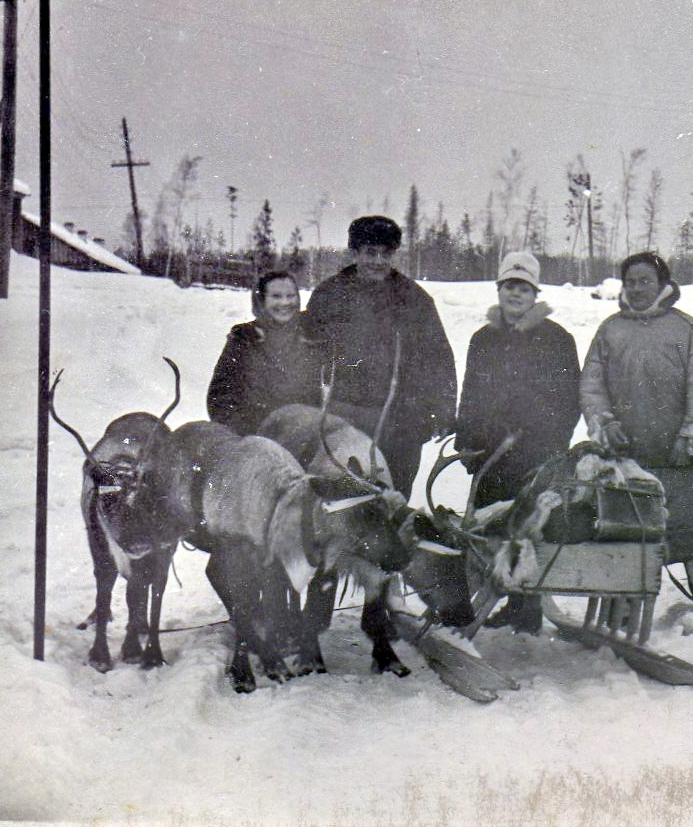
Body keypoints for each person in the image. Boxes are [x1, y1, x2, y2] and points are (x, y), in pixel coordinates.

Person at [580, 251, 693, 612]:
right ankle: (623, 610)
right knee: (628, 533)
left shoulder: (687, 329)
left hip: (679, 456)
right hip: (629, 457)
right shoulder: (610, 331)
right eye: (630, 282)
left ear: (663, 285)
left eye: (645, 281)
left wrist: (692, 431)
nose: (637, 288)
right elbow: (592, 385)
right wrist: (604, 423)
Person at [456, 251, 581, 632]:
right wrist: (466, 439)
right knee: (492, 527)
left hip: (535, 452)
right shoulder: (482, 339)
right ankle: (502, 599)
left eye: (523, 288)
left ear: (534, 293)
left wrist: (551, 443)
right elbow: (471, 390)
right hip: (490, 453)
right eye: (509, 286)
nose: (515, 294)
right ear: (499, 289)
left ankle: (528, 609)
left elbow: (569, 398)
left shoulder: (557, 339)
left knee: (530, 528)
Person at [301, 215, 457, 498]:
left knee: (392, 501)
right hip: (343, 417)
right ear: (354, 253)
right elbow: (305, 352)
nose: (378, 261)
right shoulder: (329, 295)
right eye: (370, 252)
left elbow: (439, 357)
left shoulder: (414, 300)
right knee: (341, 501)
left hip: (400, 421)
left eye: (386, 254)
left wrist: (441, 409)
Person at [207, 271, 322, 435]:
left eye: (290, 296)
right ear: (261, 300)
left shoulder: (313, 338)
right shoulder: (244, 339)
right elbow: (220, 399)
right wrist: (250, 434)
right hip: (257, 439)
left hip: (306, 438)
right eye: (276, 296)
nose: (285, 303)